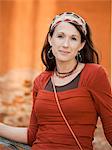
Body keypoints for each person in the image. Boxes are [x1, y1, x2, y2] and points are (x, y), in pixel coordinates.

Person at [0, 12, 112, 150]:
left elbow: (110, 129)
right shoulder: (41, 81)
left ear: (81, 45)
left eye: (73, 38)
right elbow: (32, 135)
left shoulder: (94, 74)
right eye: (60, 36)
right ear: (50, 39)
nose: (65, 44)